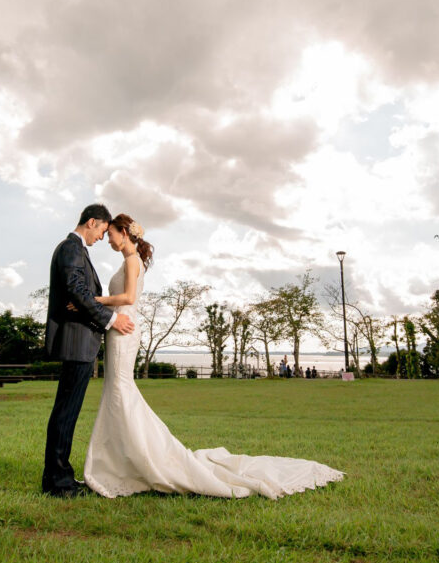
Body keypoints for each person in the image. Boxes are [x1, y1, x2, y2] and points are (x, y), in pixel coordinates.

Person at [83, 213, 344, 499]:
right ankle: (121, 462)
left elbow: (129, 298)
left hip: (125, 328)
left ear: (123, 232)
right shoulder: (127, 261)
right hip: (118, 328)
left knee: (121, 390)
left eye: (111, 233)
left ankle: (140, 460)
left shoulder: (132, 262)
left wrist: (94, 300)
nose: (108, 238)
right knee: (117, 392)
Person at [41, 204, 136, 498]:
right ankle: (58, 483)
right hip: (76, 341)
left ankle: (60, 477)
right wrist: (112, 318)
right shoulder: (70, 248)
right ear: (92, 222)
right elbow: (77, 292)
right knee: (65, 413)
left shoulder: (77, 250)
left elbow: (81, 294)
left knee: (67, 412)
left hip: (81, 341)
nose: (102, 238)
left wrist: (90, 302)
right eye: (102, 231)